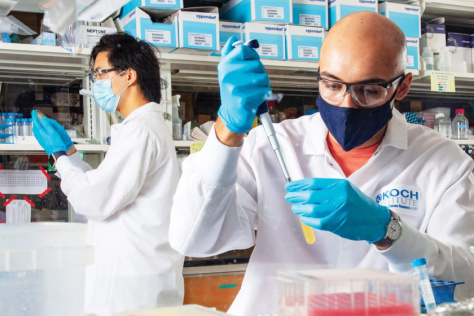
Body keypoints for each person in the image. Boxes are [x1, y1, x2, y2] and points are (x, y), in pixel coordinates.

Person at [169, 12, 474, 315]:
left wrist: (388, 231)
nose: (346, 104)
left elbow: (465, 280)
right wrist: (227, 130)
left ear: (402, 87)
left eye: (369, 90)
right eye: (332, 85)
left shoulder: (445, 164)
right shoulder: (271, 145)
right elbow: (192, 239)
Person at [32, 33, 184, 315]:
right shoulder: (142, 127)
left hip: (132, 285)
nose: (96, 82)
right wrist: (71, 154)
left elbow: (94, 200)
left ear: (128, 76)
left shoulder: (139, 130)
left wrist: (58, 156)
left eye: (101, 73)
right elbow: (106, 187)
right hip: (139, 277)